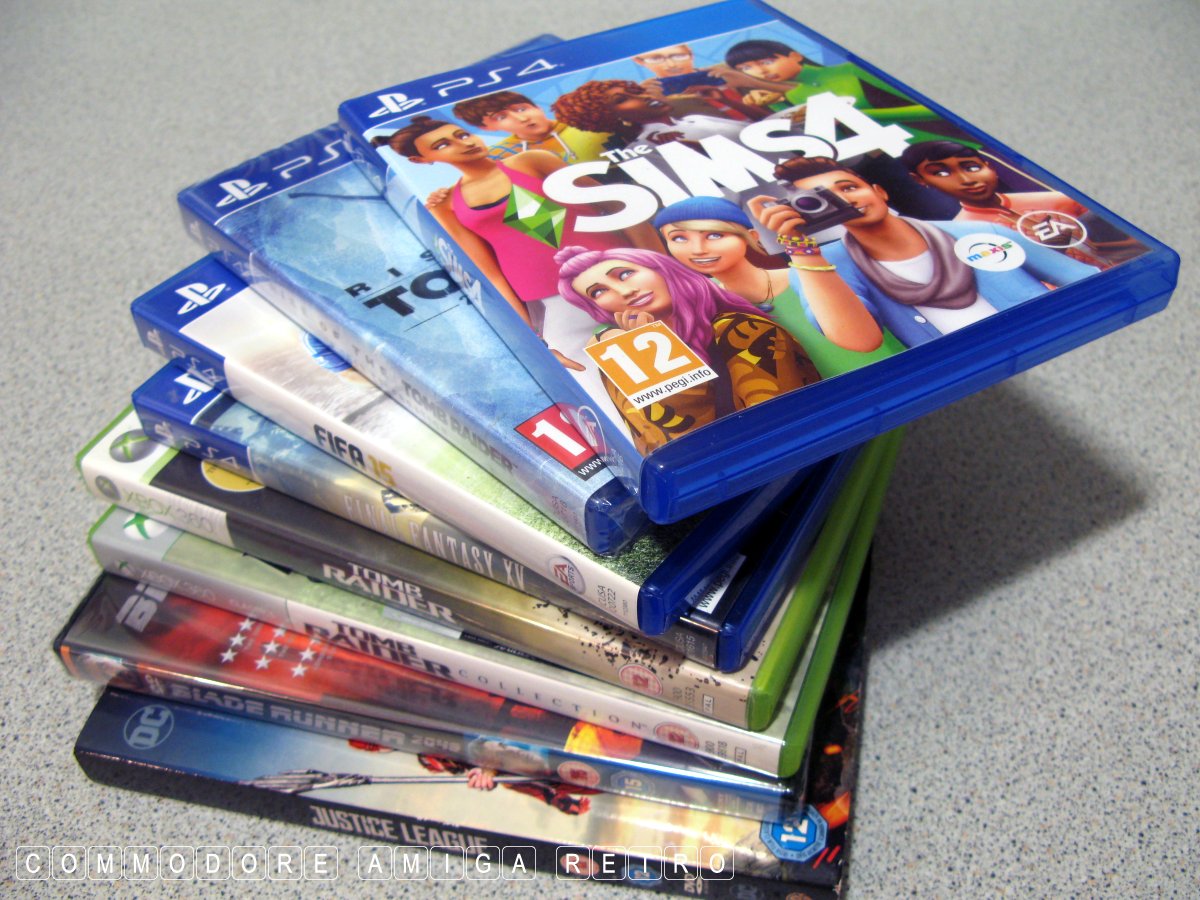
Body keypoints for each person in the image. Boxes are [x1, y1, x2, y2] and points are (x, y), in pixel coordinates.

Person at [747, 156, 1101, 349]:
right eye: (821, 199)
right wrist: (801, 249)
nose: (845, 200)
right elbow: (861, 341)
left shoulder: (979, 231)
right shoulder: (819, 268)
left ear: (880, 191)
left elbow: (1087, 281)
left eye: (849, 187)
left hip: (1046, 343)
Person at [372, 116, 655, 355]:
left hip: (623, 273)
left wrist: (659, 263)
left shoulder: (532, 160)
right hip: (552, 300)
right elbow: (489, 273)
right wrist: (528, 334)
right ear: (421, 160)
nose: (465, 144)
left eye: (463, 134)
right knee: (588, 370)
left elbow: (619, 207)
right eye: (443, 145)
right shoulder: (445, 205)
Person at [554, 245, 819, 452]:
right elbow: (660, 447)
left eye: (625, 274)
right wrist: (640, 351)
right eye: (598, 292)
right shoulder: (620, 348)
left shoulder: (741, 329)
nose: (624, 291)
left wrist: (651, 351)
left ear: (663, 269)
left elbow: (779, 433)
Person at [652, 196, 902, 377]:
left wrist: (798, 245)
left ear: (751, 237)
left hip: (888, 382)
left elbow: (863, 342)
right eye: (679, 238)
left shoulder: (809, 273)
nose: (697, 249)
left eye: (715, 235)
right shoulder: (700, 305)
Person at [900, 140, 1143, 267]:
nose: (967, 180)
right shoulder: (962, 236)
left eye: (972, 167)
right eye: (941, 173)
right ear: (920, 180)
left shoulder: (1055, 199)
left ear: (989, 167)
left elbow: (1127, 237)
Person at [723, 39, 959, 146]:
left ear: (794, 55)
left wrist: (857, 116)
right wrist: (775, 104)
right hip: (899, 161)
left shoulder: (851, 70)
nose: (761, 72)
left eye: (766, 61)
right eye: (746, 68)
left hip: (949, 143)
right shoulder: (793, 95)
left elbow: (932, 109)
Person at [552, 79, 765, 148]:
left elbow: (765, 132)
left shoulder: (695, 119)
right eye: (622, 100)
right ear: (607, 116)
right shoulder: (643, 147)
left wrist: (725, 100)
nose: (643, 96)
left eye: (635, 91)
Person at [451, 90, 609, 163]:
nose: (522, 118)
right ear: (487, 128)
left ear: (538, 108)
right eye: (501, 117)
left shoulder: (588, 124)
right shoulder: (498, 155)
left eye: (522, 109)